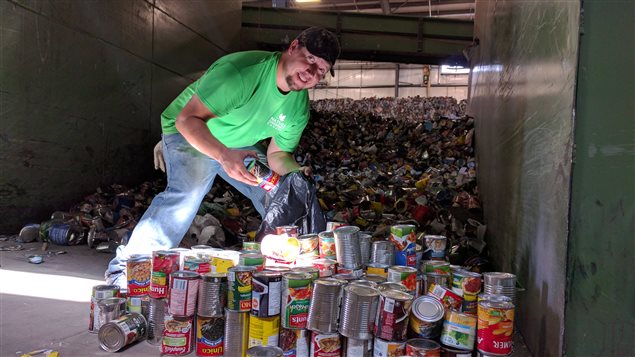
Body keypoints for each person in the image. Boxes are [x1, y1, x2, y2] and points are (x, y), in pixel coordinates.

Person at [105, 27, 340, 287]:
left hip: (239, 144)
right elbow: (187, 119)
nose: (311, 72)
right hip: (191, 131)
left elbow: (278, 154)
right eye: (309, 59)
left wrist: (295, 173)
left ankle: (288, 263)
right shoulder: (241, 73)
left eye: (320, 69)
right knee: (187, 195)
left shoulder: (298, 109)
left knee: (280, 192)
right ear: (293, 47)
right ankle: (128, 269)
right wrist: (223, 155)